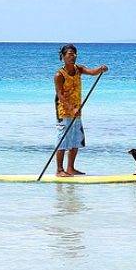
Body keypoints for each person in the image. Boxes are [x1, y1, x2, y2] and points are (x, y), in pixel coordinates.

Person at [53, 44, 108, 177]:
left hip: (77, 109)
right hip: (64, 110)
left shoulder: (79, 69)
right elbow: (60, 95)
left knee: (76, 139)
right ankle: (59, 170)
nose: (73, 57)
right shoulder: (59, 75)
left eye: (75, 54)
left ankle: (70, 168)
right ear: (63, 56)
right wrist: (72, 109)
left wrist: (100, 69)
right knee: (63, 139)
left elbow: (92, 72)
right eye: (70, 54)